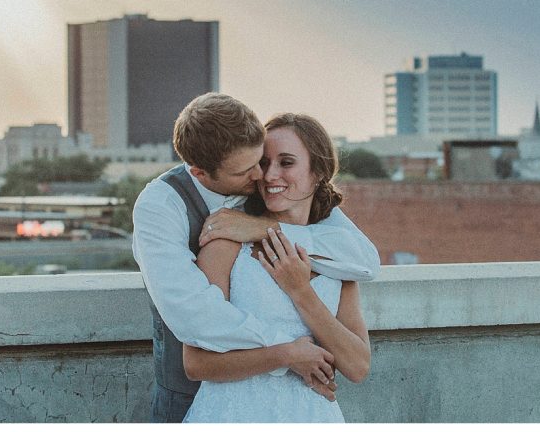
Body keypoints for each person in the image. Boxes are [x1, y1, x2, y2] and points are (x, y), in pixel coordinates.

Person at [131, 94, 379, 423]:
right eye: (255, 167)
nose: (264, 175)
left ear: (318, 173)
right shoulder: (166, 208)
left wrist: (266, 234)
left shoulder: (328, 239)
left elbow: (364, 262)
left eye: (279, 162)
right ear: (201, 172)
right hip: (212, 403)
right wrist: (290, 353)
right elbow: (196, 327)